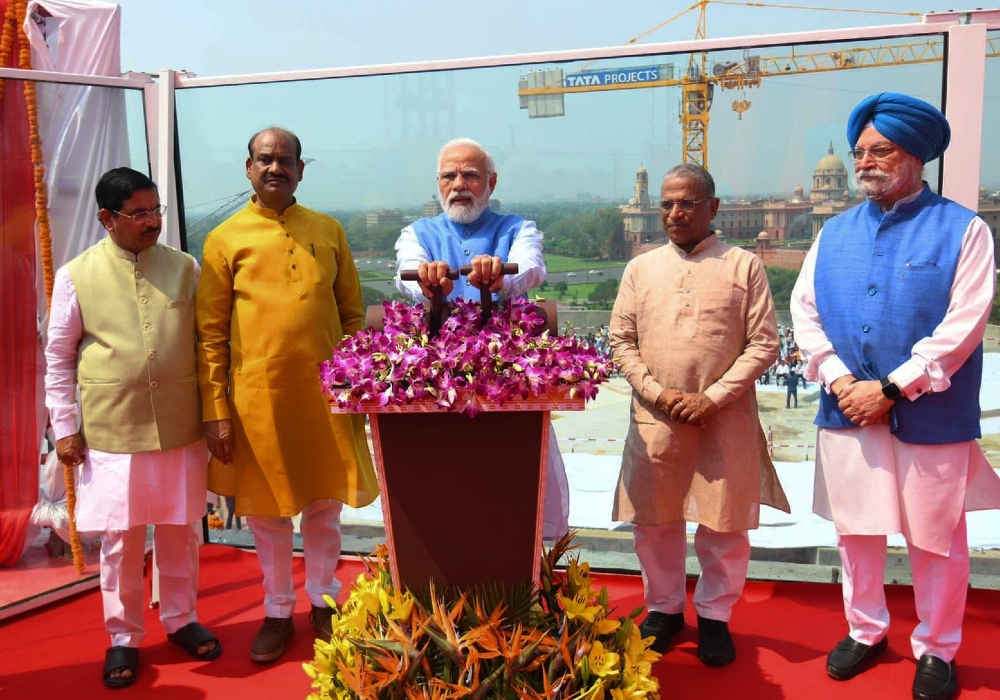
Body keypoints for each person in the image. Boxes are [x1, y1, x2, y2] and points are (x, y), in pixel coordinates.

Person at [790, 93, 1000, 700]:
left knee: (936, 537)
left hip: (931, 412)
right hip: (847, 407)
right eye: (860, 152)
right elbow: (805, 315)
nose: (865, 163)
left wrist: (889, 388)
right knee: (856, 533)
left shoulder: (965, 229)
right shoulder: (833, 232)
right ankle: (865, 629)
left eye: (880, 151)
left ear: (916, 155)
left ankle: (938, 648)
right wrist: (838, 380)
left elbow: (964, 324)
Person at [196, 127, 379, 663]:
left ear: (302, 169)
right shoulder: (226, 238)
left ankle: (323, 602)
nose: (275, 168)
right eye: (265, 159)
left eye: (286, 160)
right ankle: (277, 610)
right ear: (248, 168)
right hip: (258, 399)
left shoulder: (327, 230)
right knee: (268, 515)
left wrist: (358, 384)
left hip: (326, 394)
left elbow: (350, 315)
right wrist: (215, 411)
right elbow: (210, 333)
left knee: (324, 507)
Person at [44, 167, 220, 689]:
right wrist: (65, 426)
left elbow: (206, 345)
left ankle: (181, 619)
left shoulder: (186, 267)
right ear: (106, 218)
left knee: (181, 530)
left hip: (180, 424)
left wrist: (215, 415)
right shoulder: (77, 274)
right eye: (139, 213)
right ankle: (123, 637)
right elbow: (57, 356)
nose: (152, 222)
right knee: (121, 540)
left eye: (156, 210)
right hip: (112, 428)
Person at [610, 163, 789, 667]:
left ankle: (715, 616)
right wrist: (656, 392)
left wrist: (713, 396)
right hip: (657, 418)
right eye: (666, 203)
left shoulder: (742, 266)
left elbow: (764, 343)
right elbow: (621, 341)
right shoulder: (640, 269)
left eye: (687, 202)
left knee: (724, 524)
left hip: (723, 417)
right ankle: (664, 609)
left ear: (713, 207)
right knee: (654, 521)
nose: (674, 212)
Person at [394, 137, 570, 541]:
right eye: (449, 175)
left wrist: (501, 277)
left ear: (491, 182)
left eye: (470, 175)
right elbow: (407, 268)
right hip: (439, 379)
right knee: (445, 488)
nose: (459, 184)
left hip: (507, 376)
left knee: (522, 483)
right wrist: (427, 283)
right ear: (437, 183)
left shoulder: (517, 228)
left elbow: (531, 267)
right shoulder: (416, 233)